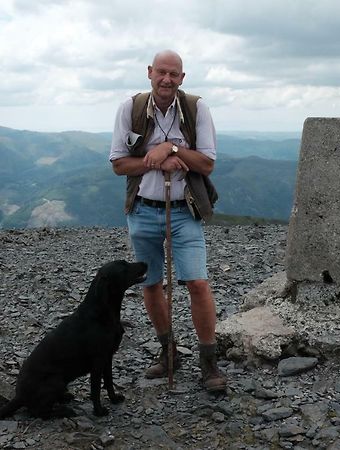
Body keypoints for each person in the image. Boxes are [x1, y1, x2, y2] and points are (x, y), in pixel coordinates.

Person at [109, 50, 226, 392]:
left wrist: (171, 150)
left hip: (183, 210)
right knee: (151, 283)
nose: (167, 79)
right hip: (143, 209)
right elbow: (118, 164)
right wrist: (156, 160)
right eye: (161, 72)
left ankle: (209, 363)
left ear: (182, 77)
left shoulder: (196, 108)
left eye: (174, 74)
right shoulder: (129, 109)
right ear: (149, 72)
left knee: (197, 283)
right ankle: (168, 351)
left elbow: (206, 164)